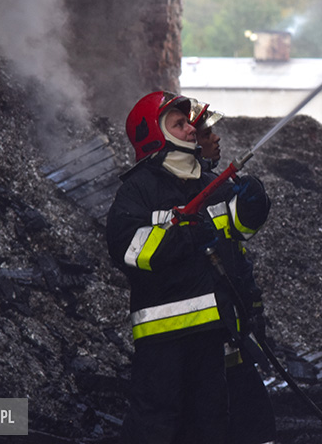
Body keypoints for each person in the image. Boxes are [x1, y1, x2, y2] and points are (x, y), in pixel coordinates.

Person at [106, 91, 271, 444]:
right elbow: (128, 248)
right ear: (155, 134)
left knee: (210, 422)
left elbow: (236, 230)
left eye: (188, 123)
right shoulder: (139, 189)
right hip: (162, 338)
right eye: (179, 124)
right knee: (157, 424)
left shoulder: (207, 184)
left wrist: (254, 204)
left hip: (211, 331)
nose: (191, 130)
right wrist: (184, 236)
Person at [188, 98, 278, 444]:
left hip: (230, 332)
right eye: (206, 133)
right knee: (237, 421)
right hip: (210, 338)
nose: (216, 138)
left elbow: (238, 254)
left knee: (249, 418)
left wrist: (253, 310)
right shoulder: (192, 195)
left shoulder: (214, 189)